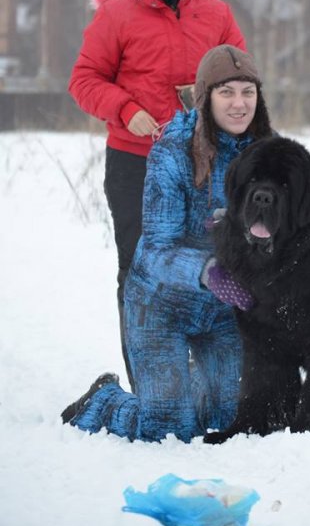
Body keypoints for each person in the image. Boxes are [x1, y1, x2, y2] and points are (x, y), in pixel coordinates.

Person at [68, 0, 246, 382]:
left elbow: (242, 79)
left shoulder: (215, 13)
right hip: (136, 162)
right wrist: (127, 109)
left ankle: (212, 377)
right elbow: (83, 80)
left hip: (207, 165)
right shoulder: (117, 13)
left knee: (214, 262)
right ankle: (154, 380)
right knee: (144, 268)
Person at [61, 45, 273, 443]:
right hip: (160, 306)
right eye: (226, 92)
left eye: (248, 91)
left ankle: (186, 386)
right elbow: (157, 250)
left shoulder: (270, 152)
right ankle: (103, 401)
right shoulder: (173, 150)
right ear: (204, 96)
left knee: (232, 417)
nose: (239, 104)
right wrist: (208, 271)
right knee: (168, 429)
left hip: (224, 311)